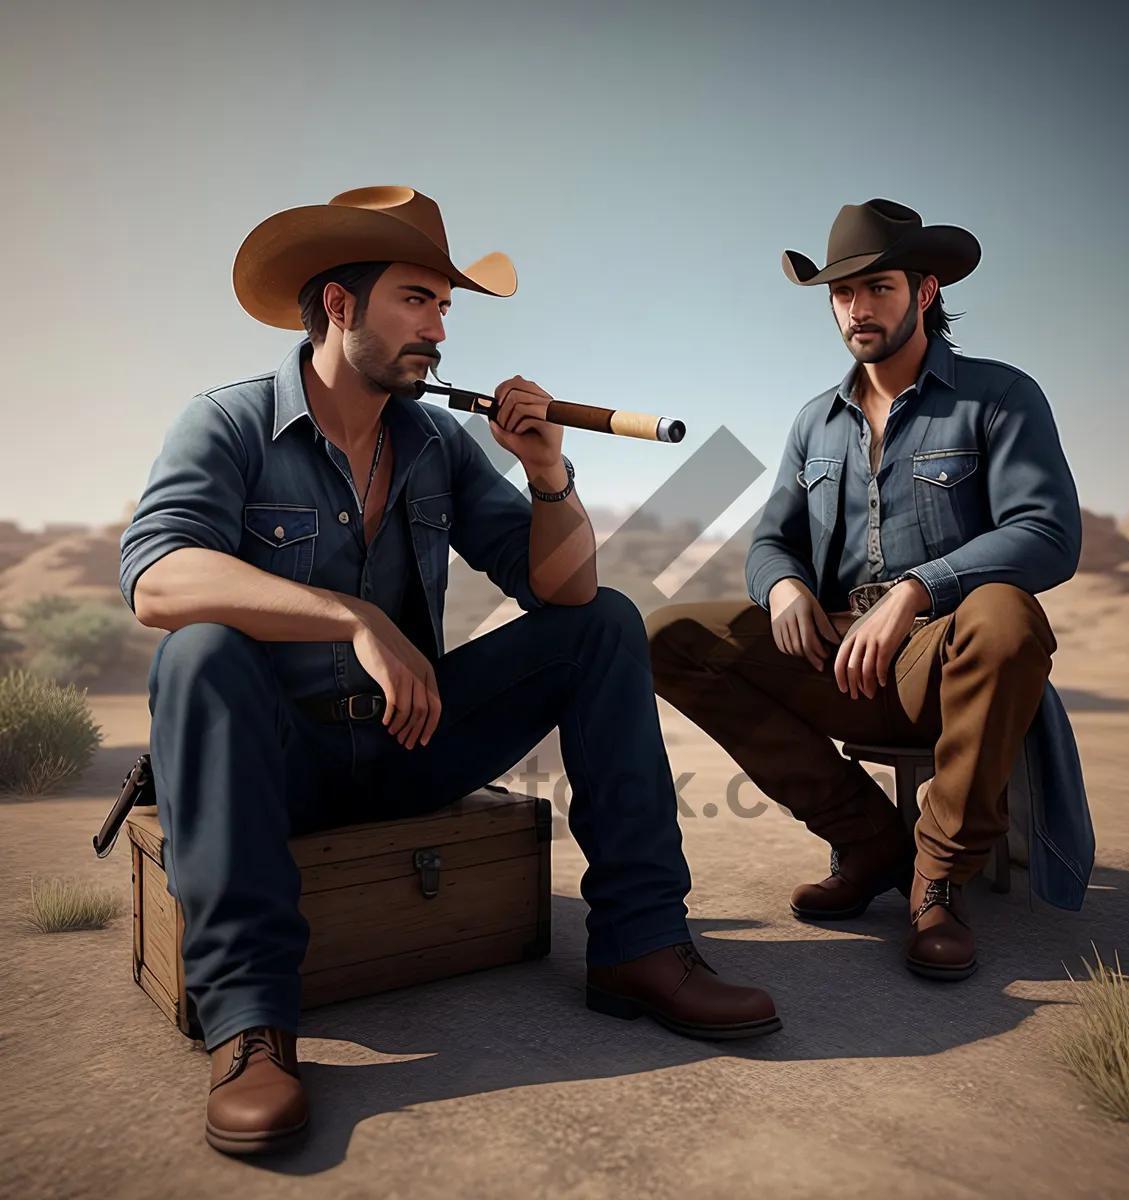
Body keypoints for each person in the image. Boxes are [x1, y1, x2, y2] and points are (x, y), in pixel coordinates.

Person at [120, 186, 780, 1157]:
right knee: (200, 649)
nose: (437, 329)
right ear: (340, 306)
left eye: (443, 307)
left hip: (405, 744)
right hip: (280, 764)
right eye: (416, 300)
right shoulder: (225, 423)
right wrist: (353, 617)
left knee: (605, 624)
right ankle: (252, 1024)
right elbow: (156, 580)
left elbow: (561, 589)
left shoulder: (432, 441)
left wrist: (548, 475)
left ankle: (641, 946)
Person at [646, 198, 1093, 984]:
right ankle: (869, 838)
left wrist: (918, 591)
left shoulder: (999, 396)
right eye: (841, 294)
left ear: (923, 292)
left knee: (1007, 615)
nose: (857, 309)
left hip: (948, 658)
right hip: (835, 656)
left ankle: (939, 875)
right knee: (665, 633)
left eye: (877, 288)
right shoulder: (814, 423)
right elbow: (769, 540)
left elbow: (1050, 535)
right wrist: (783, 588)